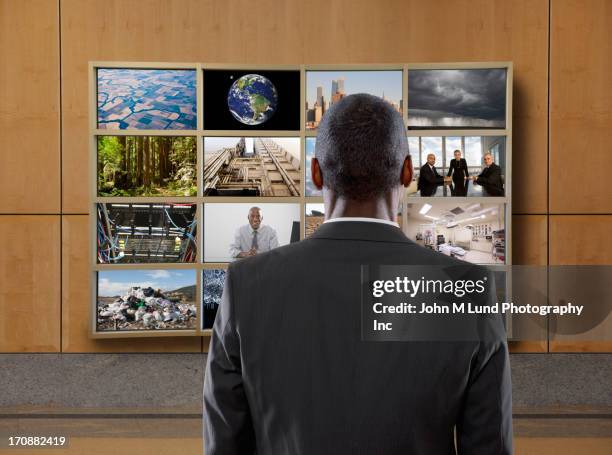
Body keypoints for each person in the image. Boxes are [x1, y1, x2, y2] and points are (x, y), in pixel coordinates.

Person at [204, 94, 512, 454]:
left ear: (316, 173)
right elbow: (490, 446)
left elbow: (224, 444)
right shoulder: (466, 290)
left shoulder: (246, 285)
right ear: (408, 173)